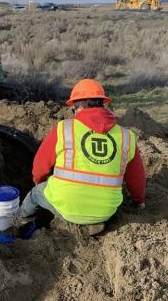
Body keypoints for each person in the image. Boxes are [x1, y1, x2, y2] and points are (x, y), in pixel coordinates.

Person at [14, 79, 146, 234]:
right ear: (103, 104)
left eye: (74, 109)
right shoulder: (126, 136)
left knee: (35, 194)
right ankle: (92, 223)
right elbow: (136, 177)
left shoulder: (64, 129)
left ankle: (18, 225)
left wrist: (40, 182)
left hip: (67, 206)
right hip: (106, 211)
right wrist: (139, 201)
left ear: (80, 107)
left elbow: (40, 166)